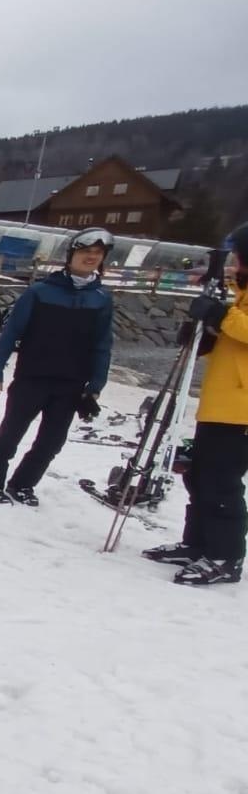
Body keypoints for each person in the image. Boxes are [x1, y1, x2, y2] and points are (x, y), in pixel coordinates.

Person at [0, 227, 114, 506]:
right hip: (32, 377)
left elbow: (102, 344)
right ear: (71, 255)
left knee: (51, 443)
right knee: (10, 435)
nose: (90, 257)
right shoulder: (40, 292)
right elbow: (11, 332)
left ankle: (23, 485)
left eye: (97, 254)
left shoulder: (101, 299)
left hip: (71, 384)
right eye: (85, 252)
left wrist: (97, 384)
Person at [144, 222, 248, 585]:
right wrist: (203, 334)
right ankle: (199, 543)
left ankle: (225, 555)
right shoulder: (239, 294)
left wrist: (221, 315)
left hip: (241, 410)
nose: (235, 264)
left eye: (239, 256)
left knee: (222, 481)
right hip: (220, 403)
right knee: (201, 476)